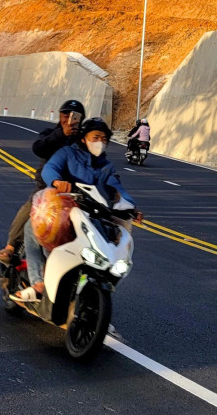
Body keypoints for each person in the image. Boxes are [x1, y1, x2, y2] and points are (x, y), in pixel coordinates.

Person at [13, 117, 139, 302]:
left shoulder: (106, 166)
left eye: (104, 139)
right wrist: (57, 181)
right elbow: (50, 168)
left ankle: (99, 294)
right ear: (83, 138)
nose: (100, 142)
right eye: (96, 137)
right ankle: (38, 282)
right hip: (63, 207)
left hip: (92, 214)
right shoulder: (67, 153)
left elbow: (117, 189)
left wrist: (131, 207)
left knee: (113, 247)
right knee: (31, 230)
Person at [0, 99, 85, 264]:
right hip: (47, 189)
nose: (68, 118)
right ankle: (11, 246)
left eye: (74, 116)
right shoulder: (51, 133)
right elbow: (39, 148)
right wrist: (62, 134)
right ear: (59, 115)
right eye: (65, 114)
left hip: (76, 193)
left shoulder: (83, 141)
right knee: (31, 208)